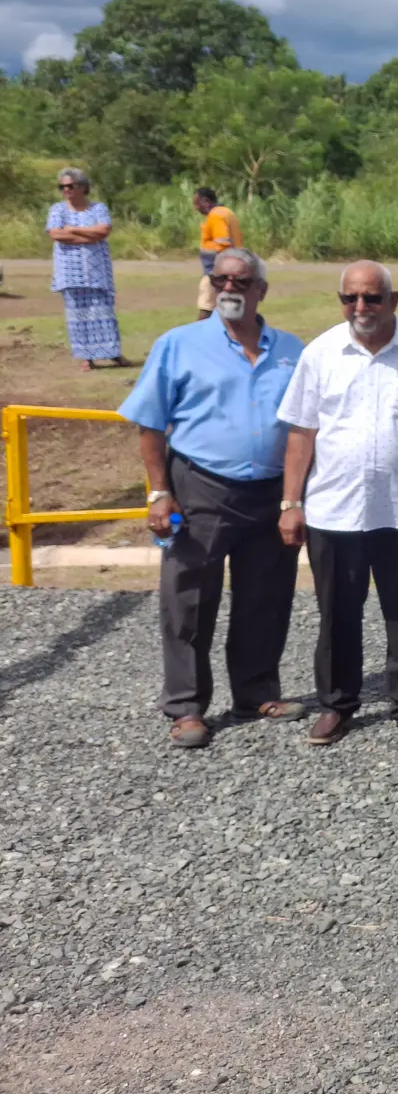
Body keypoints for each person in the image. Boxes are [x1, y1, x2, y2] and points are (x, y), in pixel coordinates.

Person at [120, 247, 305, 747]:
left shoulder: (292, 350)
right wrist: (160, 492)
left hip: (269, 492)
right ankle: (186, 707)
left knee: (265, 598)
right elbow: (151, 423)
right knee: (187, 602)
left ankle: (256, 691)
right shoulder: (178, 344)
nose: (229, 288)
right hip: (200, 486)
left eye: (241, 281)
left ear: (261, 290)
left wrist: (293, 500)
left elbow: (303, 430)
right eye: (219, 279)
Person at [276, 262, 398, 745]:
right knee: (337, 612)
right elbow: (302, 432)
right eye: (350, 298)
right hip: (335, 511)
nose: (360, 307)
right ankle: (337, 704)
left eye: (372, 298)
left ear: (394, 300)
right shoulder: (322, 352)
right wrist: (291, 502)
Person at [45, 166, 126, 371]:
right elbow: (56, 234)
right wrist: (89, 235)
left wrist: (72, 229)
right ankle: (86, 358)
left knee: (104, 311)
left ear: (82, 187)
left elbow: (103, 231)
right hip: (69, 272)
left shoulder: (98, 208)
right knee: (78, 314)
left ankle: (113, 353)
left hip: (97, 270)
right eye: (62, 187)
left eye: (70, 186)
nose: (66, 190)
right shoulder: (57, 210)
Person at [193, 187, 242, 318]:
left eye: (197, 203)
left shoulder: (216, 215)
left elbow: (223, 244)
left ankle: (197, 335)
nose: (196, 208)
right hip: (232, 268)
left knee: (206, 308)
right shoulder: (227, 212)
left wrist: (217, 273)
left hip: (216, 271)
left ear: (206, 201)